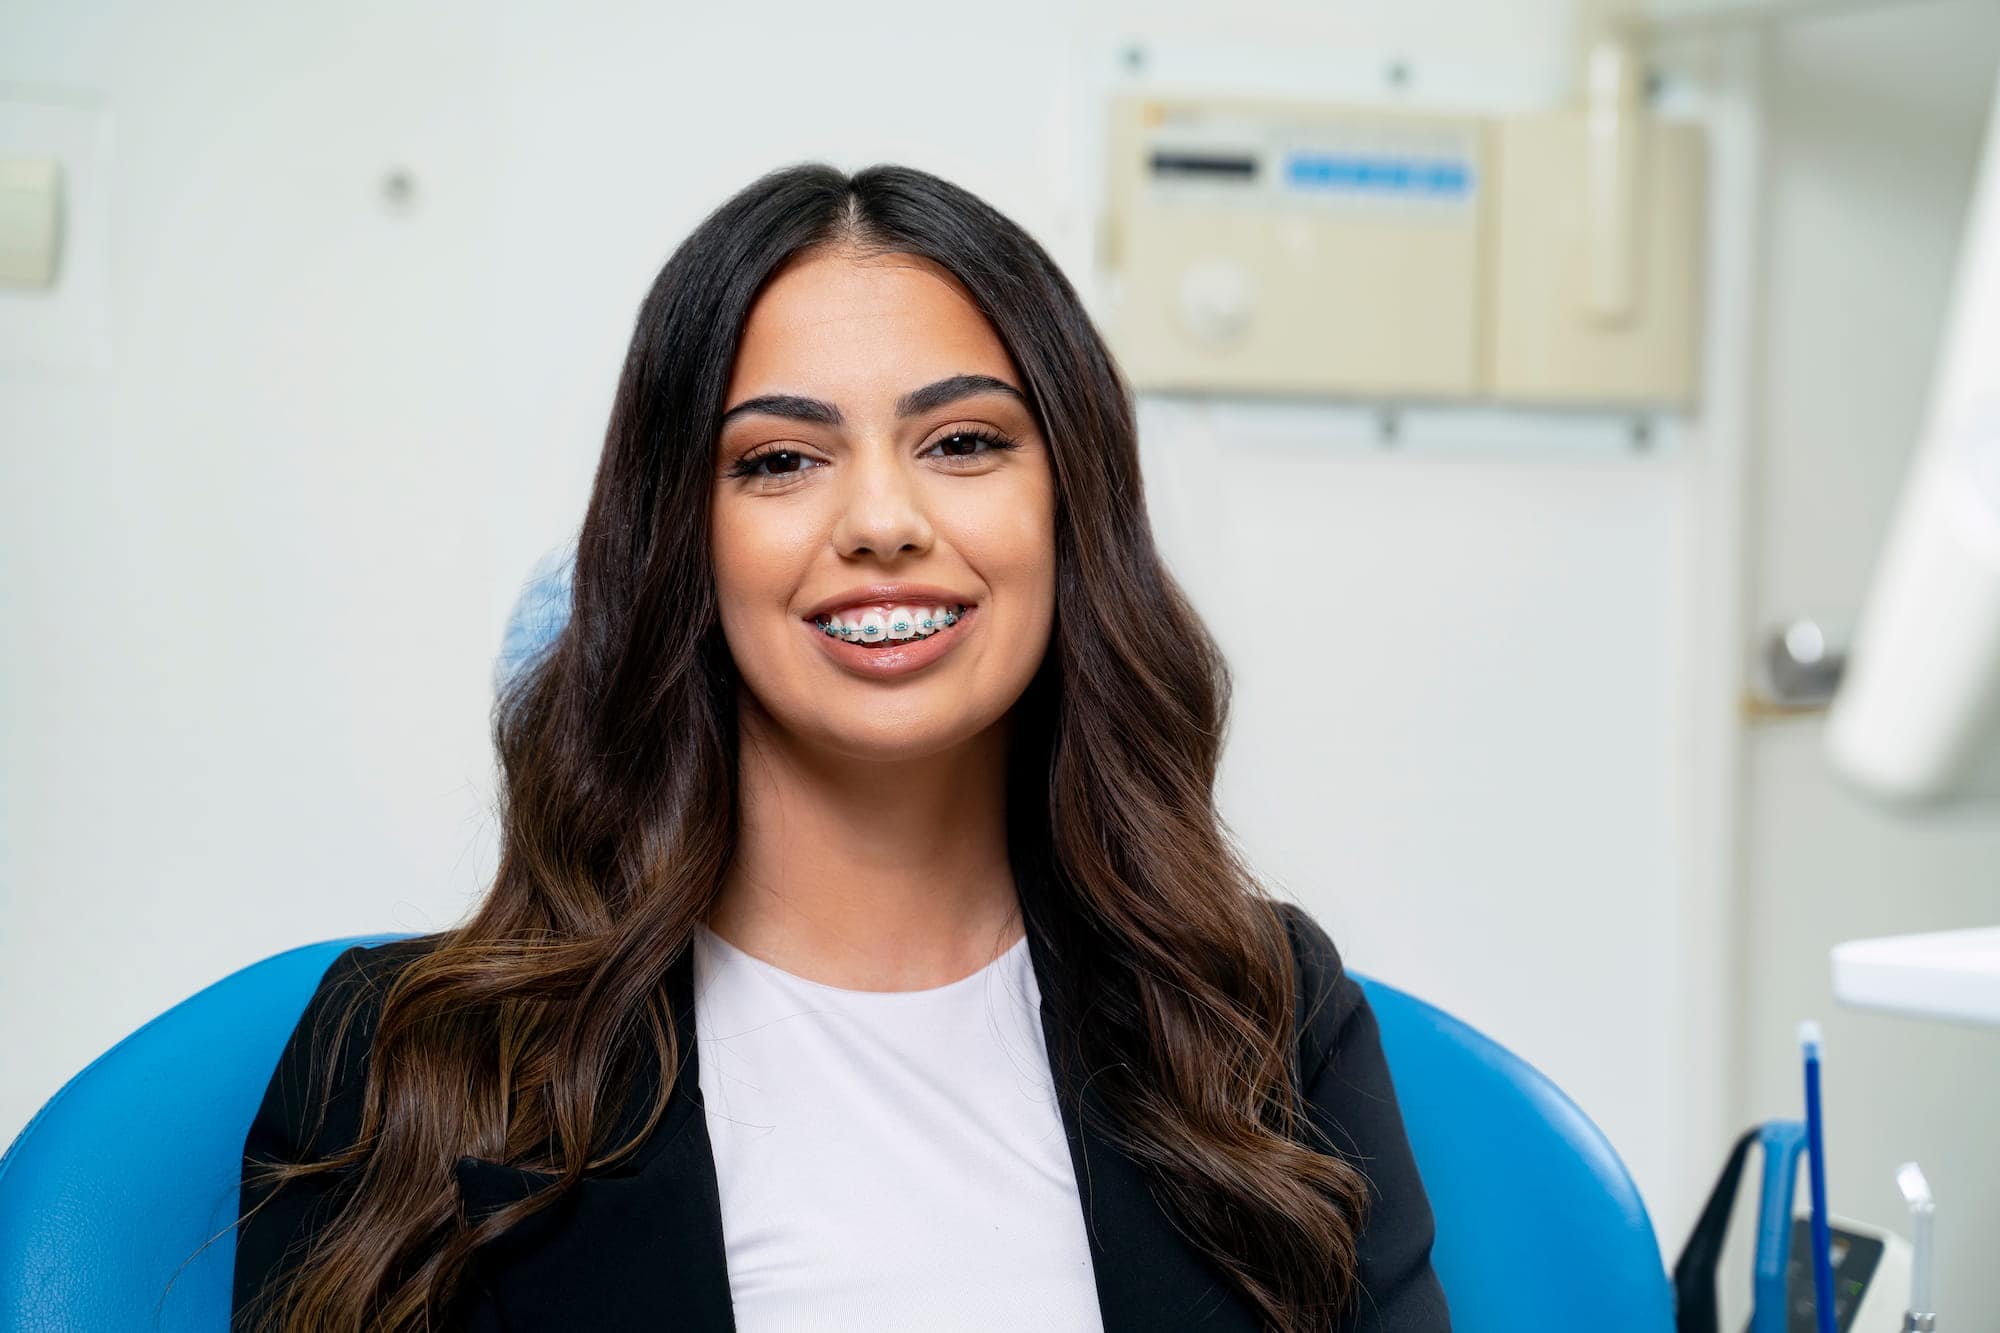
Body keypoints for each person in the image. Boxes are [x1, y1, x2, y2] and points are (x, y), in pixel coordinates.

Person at [229, 162, 1451, 1333]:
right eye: (779, 460)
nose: (879, 521)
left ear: (1071, 508)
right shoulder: (408, 1060)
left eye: (963, 442)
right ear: (680, 548)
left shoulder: (1258, 1019)